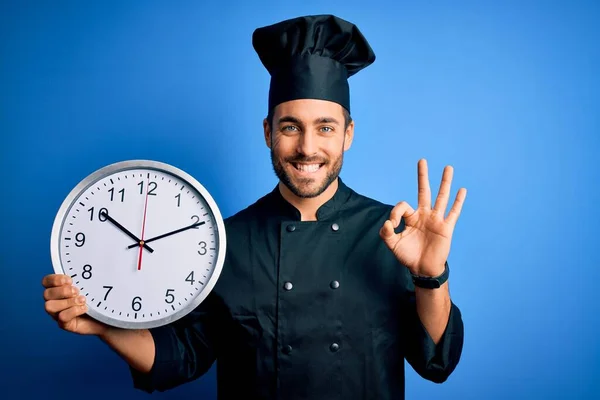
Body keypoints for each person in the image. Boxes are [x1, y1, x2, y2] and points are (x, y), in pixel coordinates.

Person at [42, 14, 466, 399]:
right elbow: (179, 356)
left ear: (348, 134)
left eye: (325, 127)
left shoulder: (391, 233)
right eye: (290, 127)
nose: (307, 147)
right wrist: (102, 323)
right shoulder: (222, 243)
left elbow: (437, 363)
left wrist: (430, 276)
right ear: (267, 132)